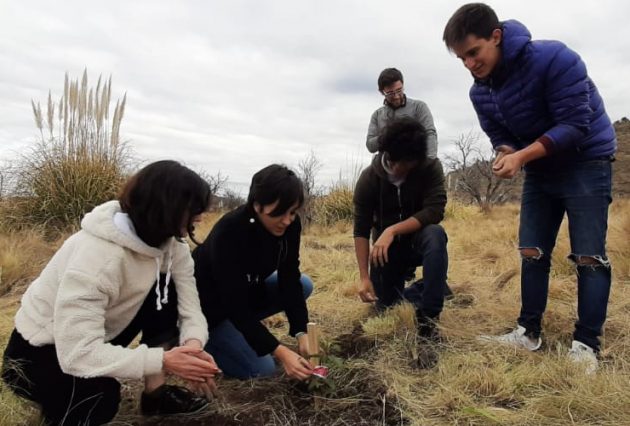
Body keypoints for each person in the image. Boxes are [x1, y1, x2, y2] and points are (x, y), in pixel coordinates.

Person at [443, 3, 617, 373]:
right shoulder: (480, 92)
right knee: (531, 251)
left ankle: (586, 344)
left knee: (589, 256)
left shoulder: (555, 57)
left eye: (474, 53)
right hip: (540, 167)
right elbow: (501, 136)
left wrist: (521, 156)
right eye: (462, 59)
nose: (470, 65)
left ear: (497, 36)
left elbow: (575, 124)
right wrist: (506, 154)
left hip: (586, 159)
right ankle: (528, 332)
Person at [1, 160, 221, 425]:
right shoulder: (98, 258)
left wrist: (192, 349)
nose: (201, 217)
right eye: (194, 209)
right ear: (166, 208)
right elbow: (77, 354)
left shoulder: (173, 246)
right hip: (39, 354)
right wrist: (164, 360)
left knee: (166, 289)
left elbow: (190, 308)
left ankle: (156, 394)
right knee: (99, 398)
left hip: (100, 334)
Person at [193, 164, 315, 380]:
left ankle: (240, 333)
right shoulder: (230, 231)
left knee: (303, 284)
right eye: (279, 213)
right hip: (207, 312)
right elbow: (233, 303)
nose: (287, 220)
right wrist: (279, 350)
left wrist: (301, 331)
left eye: (293, 212)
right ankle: (203, 343)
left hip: (245, 295)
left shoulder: (289, 226)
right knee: (263, 370)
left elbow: (289, 278)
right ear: (257, 205)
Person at [354, 117, 449, 341]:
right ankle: (425, 289)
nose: (399, 169)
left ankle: (429, 317)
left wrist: (392, 230)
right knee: (386, 308)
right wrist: (364, 277)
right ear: (386, 152)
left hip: (418, 241)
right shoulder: (369, 179)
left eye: (408, 165)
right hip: (385, 252)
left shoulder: (430, 167)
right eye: (396, 162)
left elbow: (435, 210)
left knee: (436, 235)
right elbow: (360, 229)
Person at [366, 67, 438, 159]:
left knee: (436, 167)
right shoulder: (377, 115)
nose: (396, 96)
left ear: (403, 85)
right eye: (390, 93)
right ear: (382, 92)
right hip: (386, 165)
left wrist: (429, 160)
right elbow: (370, 146)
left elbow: (430, 133)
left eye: (399, 90)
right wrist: (387, 136)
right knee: (366, 173)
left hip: (415, 161)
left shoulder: (419, 107)